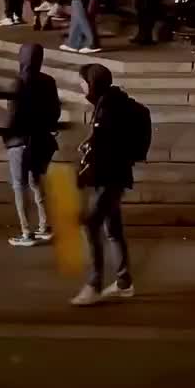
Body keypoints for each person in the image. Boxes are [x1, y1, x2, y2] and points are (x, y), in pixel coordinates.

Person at [71, 63, 136, 305]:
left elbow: (106, 147)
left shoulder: (107, 108)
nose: (81, 86)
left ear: (93, 83)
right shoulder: (112, 100)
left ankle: (94, 283)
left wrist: (84, 172)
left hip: (109, 179)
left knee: (91, 225)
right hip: (116, 177)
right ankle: (123, 281)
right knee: (113, 228)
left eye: (83, 82)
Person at [4, 44, 61, 246]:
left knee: (20, 186)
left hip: (19, 142)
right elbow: (55, 111)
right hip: (41, 141)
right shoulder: (48, 81)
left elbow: (12, 116)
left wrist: (7, 139)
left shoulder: (17, 83)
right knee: (36, 182)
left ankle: (26, 232)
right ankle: (44, 226)